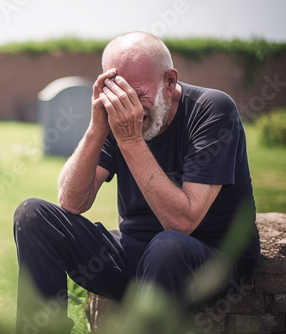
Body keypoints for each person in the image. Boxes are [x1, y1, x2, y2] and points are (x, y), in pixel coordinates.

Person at [13, 32, 260, 333]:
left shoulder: (212, 110)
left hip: (207, 261)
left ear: (169, 82)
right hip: (137, 257)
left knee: (168, 246)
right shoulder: (118, 116)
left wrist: (129, 139)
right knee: (34, 216)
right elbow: (72, 202)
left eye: (140, 95)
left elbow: (182, 221)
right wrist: (96, 129)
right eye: (120, 94)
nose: (130, 108)